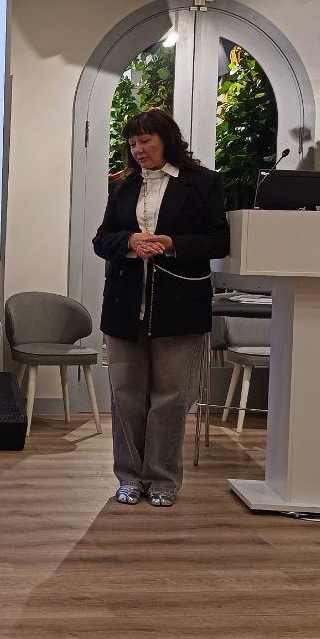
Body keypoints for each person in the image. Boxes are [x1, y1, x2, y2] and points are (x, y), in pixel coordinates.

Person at [92, 108, 229, 507]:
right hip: (124, 306)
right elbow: (102, 240)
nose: (137, 149)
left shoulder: (203, 182)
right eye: (132, 143)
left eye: (145, 141)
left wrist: (171, 244)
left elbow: (219, 241)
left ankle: (163, 479)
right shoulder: (122, 186)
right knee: (126, 396)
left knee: (170, 398)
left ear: (166, 139)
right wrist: (130, 242)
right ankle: (129, 478)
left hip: (180, 305)